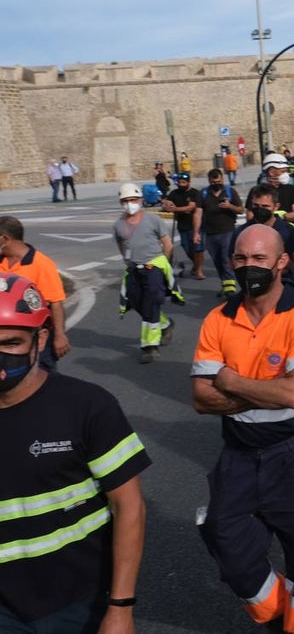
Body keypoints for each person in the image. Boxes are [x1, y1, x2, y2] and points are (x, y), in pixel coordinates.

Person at [192, 224, 294, 634]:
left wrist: (232, 380)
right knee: (226, 541)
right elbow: (201, 398)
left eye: (258, 259)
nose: (247, 266)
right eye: (240, 258)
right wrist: (265, 390)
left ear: (281, 263)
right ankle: (277, 614)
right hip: (238, 454)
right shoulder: (218, 318)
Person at [0, 275, 150, 634]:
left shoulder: (87, 406)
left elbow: (129, 507)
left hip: (78, 602)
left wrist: (121, 607)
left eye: (11, 342)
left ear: (42, 339)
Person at [114, 183, 181, 362]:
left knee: (151, 302)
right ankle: (165, 324)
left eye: (133, 200)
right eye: (126, 200)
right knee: (136, 302)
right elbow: (122, 246)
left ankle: (150, 346)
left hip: (154, 266)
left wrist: (162, 265)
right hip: (134, 268)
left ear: (141, 200)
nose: (130, 203)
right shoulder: (119, 225)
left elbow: (167, 244)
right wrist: (128, 262)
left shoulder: (153, 220)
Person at [0, 216, 71, 370]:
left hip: (35, 335)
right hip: (4, 335)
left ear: (5, 239)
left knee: (41, 375)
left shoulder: (41, 264)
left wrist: (59, 335)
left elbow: (56, 303)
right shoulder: (2, 261)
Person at [231, 184, 294, 284]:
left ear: (276, 207)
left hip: (284, 282)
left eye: (265, 206)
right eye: (256, 206)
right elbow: (232, 260)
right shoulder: (241, 232)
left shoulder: (287, 230)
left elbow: (290, 260)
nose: (260, 209)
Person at [195, 168, 245, 298]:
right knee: (217, 261)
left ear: (222, 179)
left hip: (227, 232)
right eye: (213, 182)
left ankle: (230, 290)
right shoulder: (203, 194)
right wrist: (196, 232)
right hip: (210, 234)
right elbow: (198, 213)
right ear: (209, 181)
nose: (216, 183)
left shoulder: (230, 192)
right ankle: (225, 285)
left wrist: (230, 207)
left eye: (218, 181)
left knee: (225, 259)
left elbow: (240, 209)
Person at [161, 172, 205, 280]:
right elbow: (167, 202)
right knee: (187, 248)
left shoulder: (195, 193)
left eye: (184, 182)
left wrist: (176, 209)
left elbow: (191, 207)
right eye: (180, 182)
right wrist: (167, 205)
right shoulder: (174, 193)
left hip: (196, 225)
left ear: (188, 182)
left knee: (198, 249)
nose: (181, 184)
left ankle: (199, 271)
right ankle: (196, 264)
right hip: (183, 225)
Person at [253, 153, 294, 225]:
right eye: (283, 171)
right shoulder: (258, 191)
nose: (286, 174)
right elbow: (250, 216)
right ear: (272, 172)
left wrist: (281, 217)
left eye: (286, 171)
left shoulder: (290, 189)